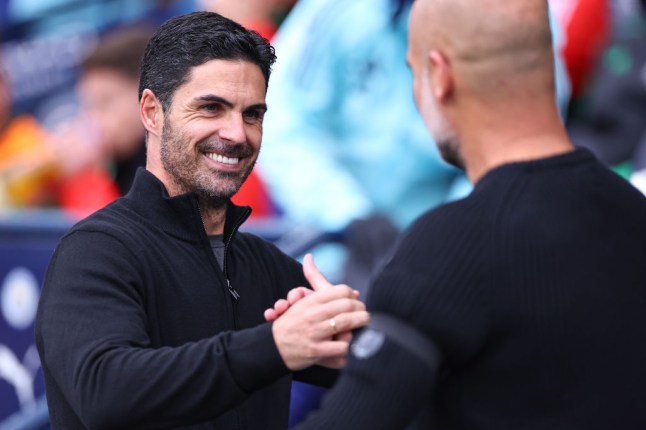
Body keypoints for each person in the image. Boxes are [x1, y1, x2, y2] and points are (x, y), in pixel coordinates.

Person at [268, 0, 646, 428]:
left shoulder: (450, 249)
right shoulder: (632, 213)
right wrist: (384, 336)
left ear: (440, 76)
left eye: (412, 72)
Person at [35, 11, 369, 429]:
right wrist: (273, 346)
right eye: (211, 108)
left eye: (252, 114)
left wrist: (351, 327)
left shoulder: (263, 265)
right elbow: (105, 394)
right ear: (152, 112)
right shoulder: (95, 250)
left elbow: (383, 365)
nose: (237, 133)